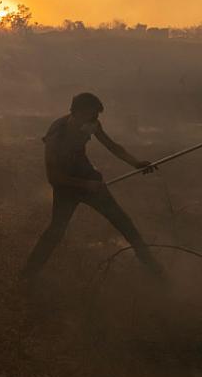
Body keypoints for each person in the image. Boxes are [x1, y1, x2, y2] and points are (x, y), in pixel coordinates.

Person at [20, 92, 164, 281]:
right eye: (93, 115)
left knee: (123, 221)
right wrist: (86, 185)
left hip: (88, 177)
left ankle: (152, 266)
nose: (96, 120)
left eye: (97, 116)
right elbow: (54, 177)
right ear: (78, 113)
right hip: (67, 186)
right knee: (56, 231)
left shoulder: (92, 124)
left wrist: (136, 163)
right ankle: (29, 274)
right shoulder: (57, 134)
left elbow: (112, 146)